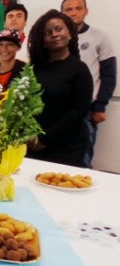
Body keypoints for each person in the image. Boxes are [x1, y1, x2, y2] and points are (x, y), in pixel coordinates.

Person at [27, 9, 93, 168]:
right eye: (47, 32)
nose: (54, 34)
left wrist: (44, 139)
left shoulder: (79, 69)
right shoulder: (34, 69)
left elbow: (78, 112)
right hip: (32, 144)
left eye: (59, 29)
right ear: (41, 40)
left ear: (69, 32)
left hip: (67, 146)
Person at [61, 0, 117, 168]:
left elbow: (109, 74)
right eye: (68, 9)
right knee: (58, 157)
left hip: (86, 108)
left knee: (82, 158)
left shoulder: (99, 37)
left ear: (86, 11)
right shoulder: (57, 38)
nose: (73, 13)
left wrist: (100, 105)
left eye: (78, 8)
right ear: (62, 13)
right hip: (60, 108)